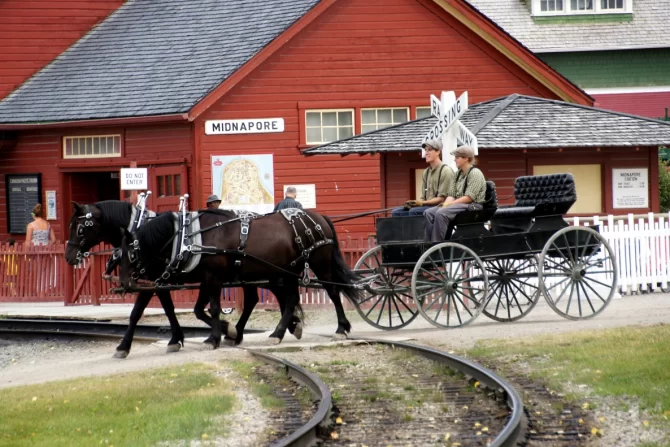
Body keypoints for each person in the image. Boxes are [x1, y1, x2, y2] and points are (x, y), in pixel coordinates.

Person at [424, 146, 486, 242]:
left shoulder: (475, 173)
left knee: (441, 213)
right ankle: (428, 243)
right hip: (459, 204)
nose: (454, 160)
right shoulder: (457, 174)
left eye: (457, 157)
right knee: (429, 213)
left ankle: (437, 244)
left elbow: (469, 198)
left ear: (466, 158)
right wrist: (445, 205)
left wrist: (449, 205)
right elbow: (451, 195)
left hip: (472, 206)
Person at [391, 139, 453, 217]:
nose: (426, 153)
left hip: (440, 207)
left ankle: (416, 229)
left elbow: (442, 199)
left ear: (438, 152)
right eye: (425, 150)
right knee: (396, 212)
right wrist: (414, 203)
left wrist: (422, 203)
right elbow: (423, 197)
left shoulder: (445, 171)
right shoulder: (426, 172)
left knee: (414, 212)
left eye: (430, 150)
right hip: (427, 206)